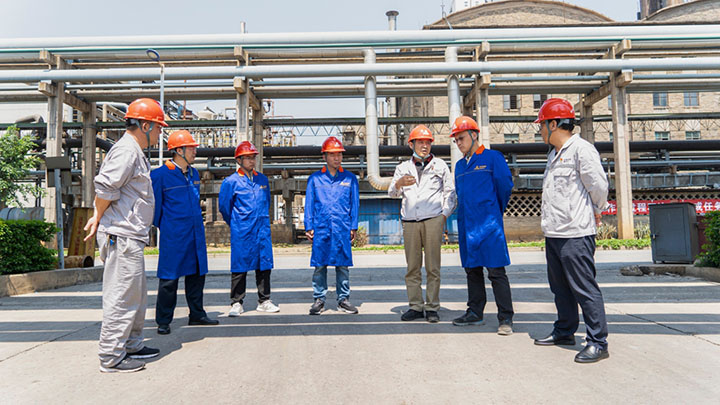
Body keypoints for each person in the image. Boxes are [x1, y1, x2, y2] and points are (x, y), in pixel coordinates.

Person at [83, 98, 166, 373]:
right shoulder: (126, 151)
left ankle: (132, 345)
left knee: (136, 297)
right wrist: (97, 216)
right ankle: (111, 357)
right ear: (145, 125)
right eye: (158, 127)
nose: (160, 133)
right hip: (121, 235)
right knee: (122, 297)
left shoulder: (135, 151)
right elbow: (106, 187)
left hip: (131, 235)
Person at [532, 98, 610, 363]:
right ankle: (565, 330)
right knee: (560, 289)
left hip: (576, 233)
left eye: (542, 125)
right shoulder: (554, 154)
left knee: (584, 288)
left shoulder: (581, 150)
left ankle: (598, 342)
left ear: (554, 124)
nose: (540, 130)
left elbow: (598, 187)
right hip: (554, 233)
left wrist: (596, 209)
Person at [450, 116, 515, 336]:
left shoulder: (492, 158)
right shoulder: (459, 166)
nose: (459, 143)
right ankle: (475, 312)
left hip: (489, 226)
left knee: (496, 272)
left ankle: (505, 317)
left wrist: (493, 211)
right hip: (467, 226)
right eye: (456, 140)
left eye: (461, 138)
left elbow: (504, 187)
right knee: (472, 271)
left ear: (474, 135)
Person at [151, 130, 218, 335]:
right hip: (174, 235)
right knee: (169, 279)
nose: (195, 152)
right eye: (191, 148)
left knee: (197, 275)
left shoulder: (194, 174)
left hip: (195, 234)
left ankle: (197, 314)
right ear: (179, 150)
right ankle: (163, 320)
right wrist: (167, 227)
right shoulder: (160, 175)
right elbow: (154, 209)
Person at [388, 125, 456, 323]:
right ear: (411, 144)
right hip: (410, 222)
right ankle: (416, 306)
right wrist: (399, 183)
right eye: (420, 142)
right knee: (412, 267)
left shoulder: (440, 165)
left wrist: (444, 215)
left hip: (433, 219)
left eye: (427, 142)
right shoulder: (402, 168)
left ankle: (432, 307)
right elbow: (392, 193)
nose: (424, 146)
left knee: (433, 267)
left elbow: (450, 193)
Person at [219, 141, 279, 316]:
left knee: (264, 264)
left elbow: (266, 202)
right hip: (242, 229)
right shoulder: (231, 182)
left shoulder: (262, 180)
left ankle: (264, 300)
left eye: (253, 157)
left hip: (262, 228)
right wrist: (237, 222)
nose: (252, 161)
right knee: (240, 265)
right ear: (239, 160)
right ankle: (237, 302)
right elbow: (224, 207)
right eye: (247, 158)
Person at [304, 136, 359, 315]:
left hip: (342, 227)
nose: (337, 158)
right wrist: (308, 226)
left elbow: (354, 204)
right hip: (321, 227)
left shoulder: (350, 179)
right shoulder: (315, 179)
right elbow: (309, 204)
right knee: (320, 265)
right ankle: (319, 299)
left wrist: (353, 226)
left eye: (339, 154)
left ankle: (343, 299)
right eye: (333, 155)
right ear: (324, 156)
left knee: (342, 265)